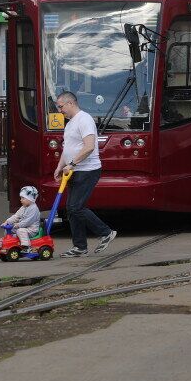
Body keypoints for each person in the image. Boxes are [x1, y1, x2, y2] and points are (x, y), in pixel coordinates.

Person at [54, 91, 117, 257]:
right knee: (71, 209)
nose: (60, 110)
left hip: (88, 170)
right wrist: (60, 166)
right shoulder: (69, 124)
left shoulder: (85, 120)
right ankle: (79, 247)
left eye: (61, 107)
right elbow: (68, 148)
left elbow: (89, 146)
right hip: (74, 170)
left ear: (71, 103)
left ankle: (105, 233)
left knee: (76, 207)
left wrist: (72, 163)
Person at [3, 185, 42, 251]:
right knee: (8, 230)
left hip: (31, 229)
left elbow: (27, 222)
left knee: (20, 231)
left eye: (23, 198)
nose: (21, 200)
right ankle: (8, 243)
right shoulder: (24, 207)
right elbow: (16, 216)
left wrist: (17, 225)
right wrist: (7, 222)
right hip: (23, 227)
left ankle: (26, 246)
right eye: (21, 198)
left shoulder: (34, 209)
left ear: (30, 199)